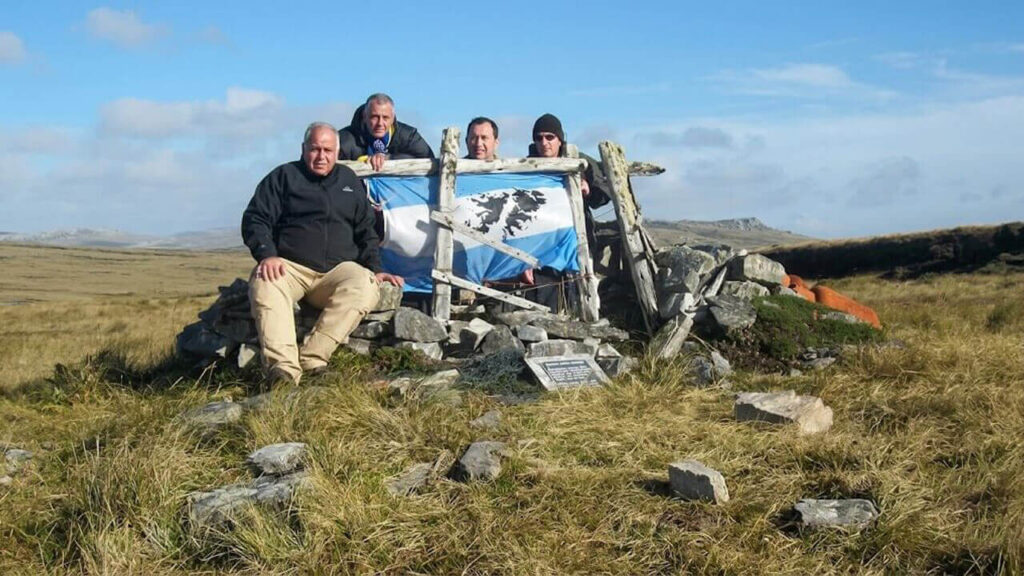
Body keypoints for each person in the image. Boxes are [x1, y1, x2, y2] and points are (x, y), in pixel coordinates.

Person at [242, 122, 403, 385]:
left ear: (337, 151)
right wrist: (267, 254)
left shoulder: (349, 181)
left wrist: (376, 269)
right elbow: (256, 219)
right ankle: (282, 371)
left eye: (327, 150)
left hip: (337, 271)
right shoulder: (282, 177)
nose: (321, 156)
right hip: (289, 268)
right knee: (265, 282)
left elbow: (366, 231)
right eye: (315, 149)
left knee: (365, 284)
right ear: (303, 149)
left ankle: (313, 359)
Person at [522, 113, 613, 312]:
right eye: (538, 138)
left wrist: (588, 189)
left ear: (560, 138)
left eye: (549, 137)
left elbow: (605, 194)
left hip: (579, 236)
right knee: (547, 286)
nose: (544, 143)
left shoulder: (579, 161)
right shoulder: (526, 167)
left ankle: (587, 322)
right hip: (543, 240)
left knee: (583, 282)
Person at [338, 93, 434, 172]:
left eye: (385, 118)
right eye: (374, 117)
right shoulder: (343, 141)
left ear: (392, 118)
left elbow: (431, 162)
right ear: (364, 116)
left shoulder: (409, 136)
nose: (380, 123)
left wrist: (389, 159)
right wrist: (364, 160)